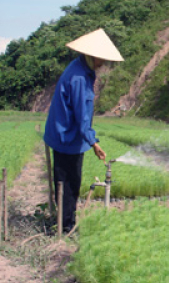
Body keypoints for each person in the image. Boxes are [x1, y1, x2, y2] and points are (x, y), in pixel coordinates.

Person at [44, 28, 124, 232]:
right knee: (68, 184)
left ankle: (65, 222)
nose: (103, 63)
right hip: (66, 137)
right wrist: (94, 143)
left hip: (66, 135)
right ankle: (65, 227)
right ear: (91, 55)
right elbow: (82, 117)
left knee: (68, 182)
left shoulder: (80, 69)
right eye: (101, 59)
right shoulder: (79, 77)